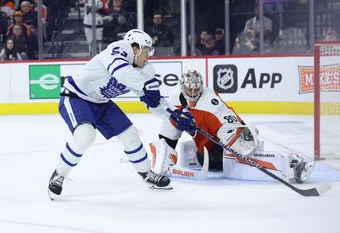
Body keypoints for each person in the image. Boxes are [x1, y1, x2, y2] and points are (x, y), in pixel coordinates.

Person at [48, 29, 173, 200]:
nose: (148, 57)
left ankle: (146, 175)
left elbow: (152, 103)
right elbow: (121, 72)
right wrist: (145, 85)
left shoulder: (144, 71)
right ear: (135, 48)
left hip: (101, 102)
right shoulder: (118, 49)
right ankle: (58, 175)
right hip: (76, 97)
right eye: (145, 51)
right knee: (85, 136)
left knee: (131, 135)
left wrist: (173, 115)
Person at [150, 70, 315, 184]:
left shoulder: (209, 100)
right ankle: (293, 165)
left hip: (223, 141)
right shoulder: (174, 102)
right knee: (225, 160)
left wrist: (234, 137)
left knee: (238, 156)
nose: (193, 91)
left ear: (201, 86)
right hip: (207, 152)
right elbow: (167, 132)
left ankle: (294, 163)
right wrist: (164, 158)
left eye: (196, 87)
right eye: (189, 88)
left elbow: (226, 118)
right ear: (181, 87)